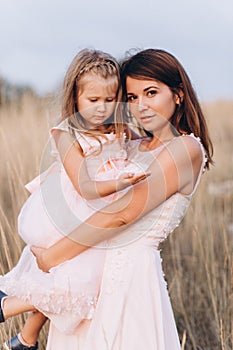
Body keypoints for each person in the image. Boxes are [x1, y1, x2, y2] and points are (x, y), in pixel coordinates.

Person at [31, 48, 213, 350]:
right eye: (131, 97)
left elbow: (122, 214)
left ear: (178, 94)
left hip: (130, 278)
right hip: (90, 271)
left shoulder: (185, 149)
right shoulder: (130, 143)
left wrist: (53, 256)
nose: (141, 106)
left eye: (151, 92)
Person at [0, 49, 149, 350]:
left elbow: (148, 145)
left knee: (68, 280)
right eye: (93, 100)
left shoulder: (122, 131)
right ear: (75, 97)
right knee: (75, 284)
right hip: (69, 212)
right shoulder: (67, 134)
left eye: (110, 100)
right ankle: (6, 307)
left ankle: (26, 339)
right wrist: (119, 182)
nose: (102, 108)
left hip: (98, 217)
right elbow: (84, 186)